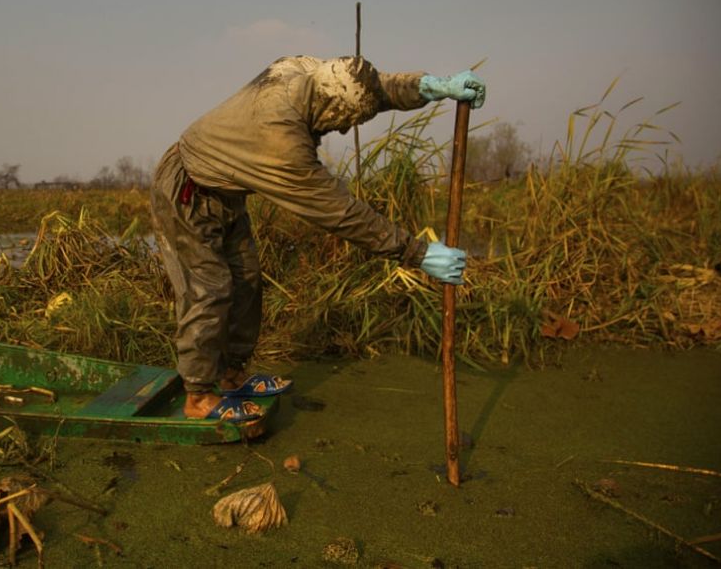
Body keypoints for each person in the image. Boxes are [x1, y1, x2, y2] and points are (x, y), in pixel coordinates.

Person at [150, 55, 486, 422]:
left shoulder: (303, 71)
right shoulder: (281, 141)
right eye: (343, 121)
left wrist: (429, 86)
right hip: (187, 191)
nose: (341, 131)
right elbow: (341, 213)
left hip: (224, 192)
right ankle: (198, 395)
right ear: (330, 106)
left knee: (246, 280)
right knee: (210, 290)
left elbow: (374, 87)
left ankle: (231, 375)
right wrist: (417, 253)